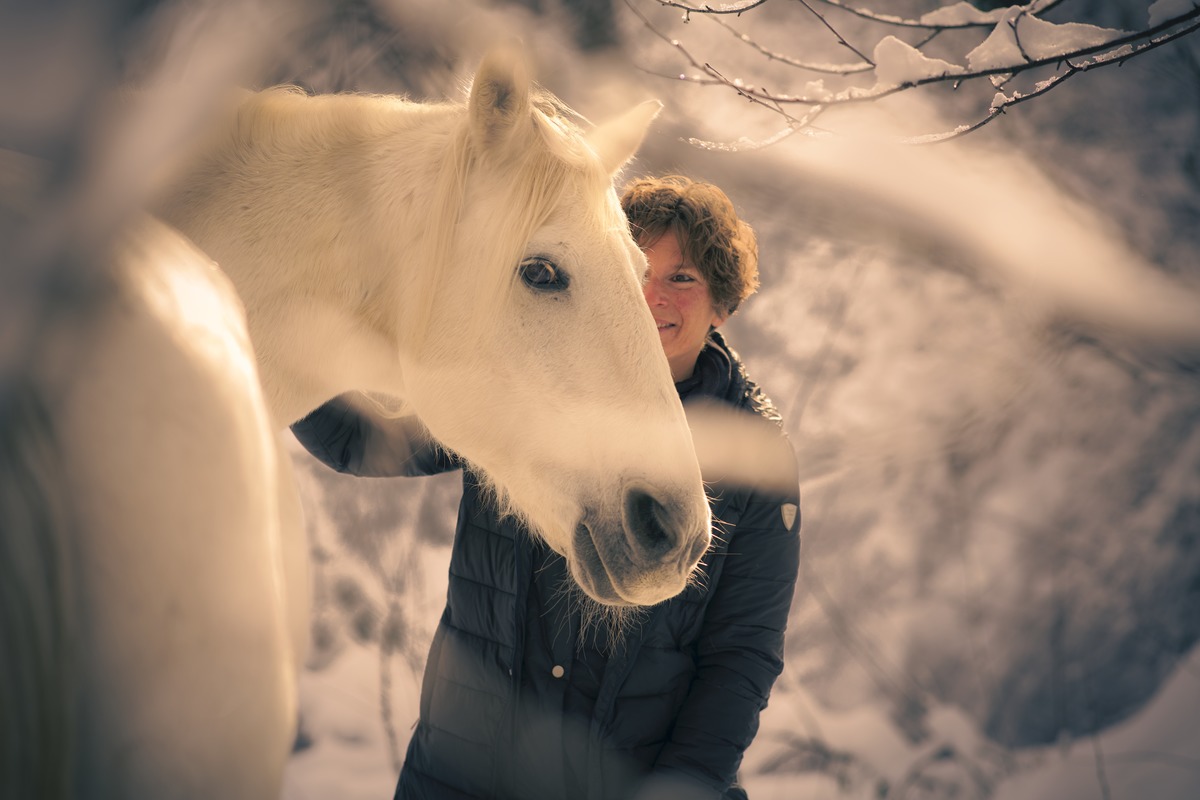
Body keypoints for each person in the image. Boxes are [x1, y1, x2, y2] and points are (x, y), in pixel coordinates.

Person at [291, 175, 801, 800]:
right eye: (634, 270)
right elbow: (359, 440)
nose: (651, 296)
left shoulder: (753, 452)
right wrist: (285, 328)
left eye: (682, 278)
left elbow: (741, 655)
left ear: (722, 303)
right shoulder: (522, 380)